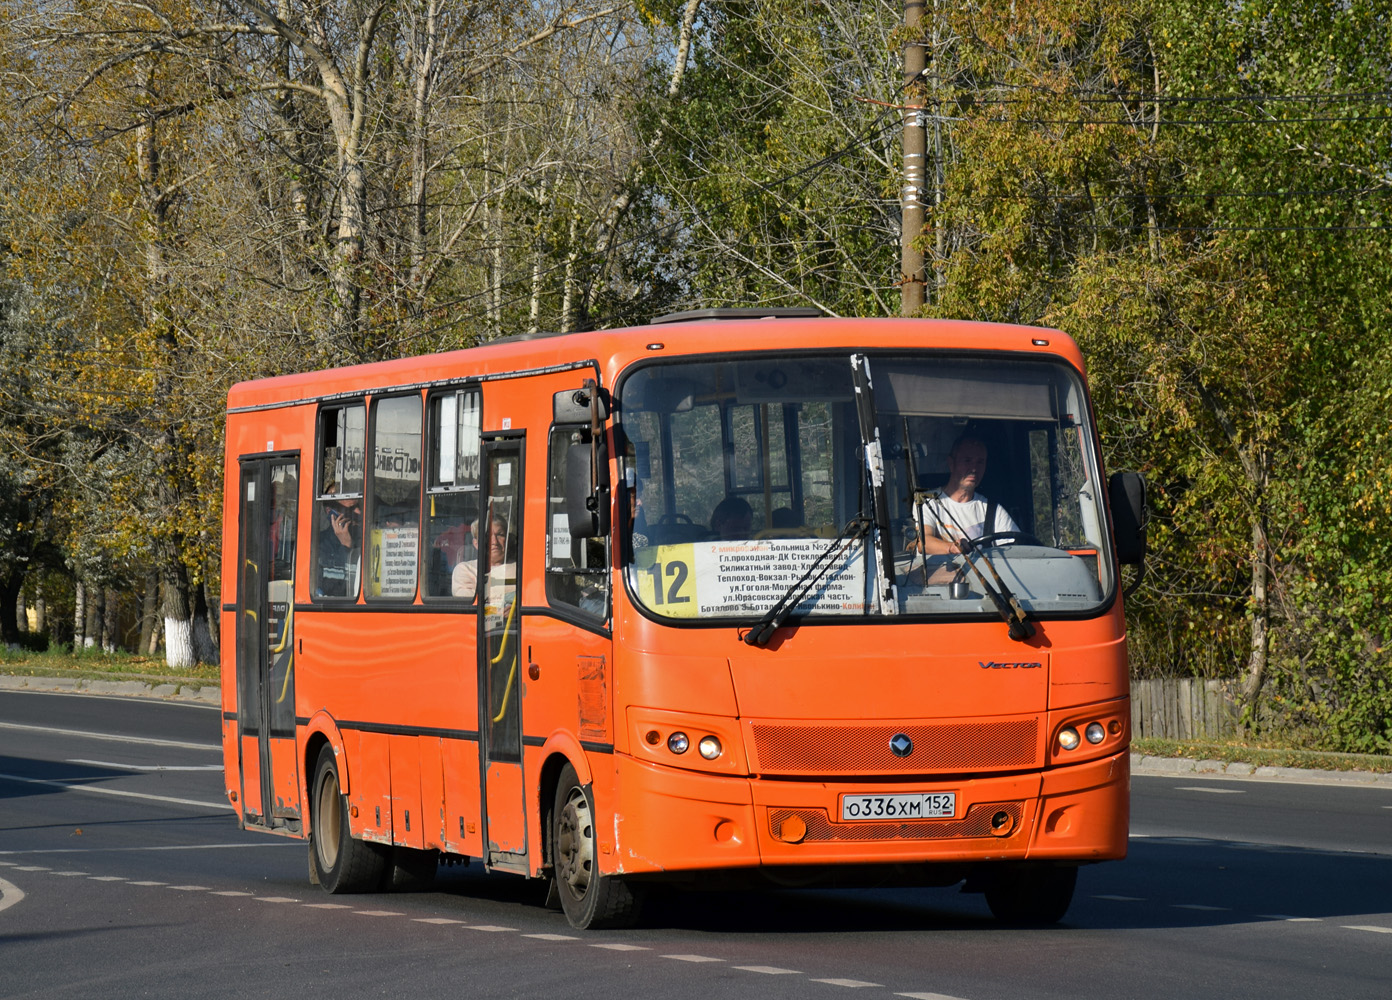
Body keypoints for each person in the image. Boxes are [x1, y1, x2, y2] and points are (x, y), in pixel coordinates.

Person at [913, 434, 1019, 559]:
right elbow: (924, 543)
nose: (974, 468)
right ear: (951, 463)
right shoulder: (928, 502)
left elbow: (1017, 551)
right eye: (967, 460)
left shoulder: (993, 510)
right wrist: (951, 547)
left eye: (980, 462)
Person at [451, 514, 515, 602]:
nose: (494, 542)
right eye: (487, 536)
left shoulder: (521, 570)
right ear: (476, 544)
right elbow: (471, 603)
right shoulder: (465, 570)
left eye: (500, 535)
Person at [317, 498, 362, 597]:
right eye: (351, 508)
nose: (358, 511)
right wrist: (346, 548)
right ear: (331, 512)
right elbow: (340, 591)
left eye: (359, 507)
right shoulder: (319, 544)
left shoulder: (364, 540)